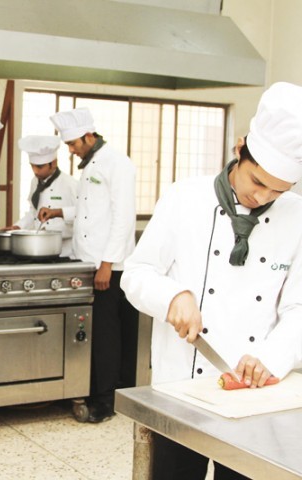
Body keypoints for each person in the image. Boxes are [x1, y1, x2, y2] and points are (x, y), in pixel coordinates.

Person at [121, 82, 302, 480]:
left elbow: (298, 309)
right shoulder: (184, 197)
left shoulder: (298, 218)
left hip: (256, 395)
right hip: (181, 389)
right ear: (240, 150)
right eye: (258, 182)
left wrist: (271, 358)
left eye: (278, 190)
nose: (263, 197)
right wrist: (173, 296)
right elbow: (135, 274)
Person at [48, 107, 138, 423]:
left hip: (107, 266)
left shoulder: (118, 163)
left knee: (105, 335)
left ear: (89, 136)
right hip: (87, 261)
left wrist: (107, 265)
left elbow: (123, 217)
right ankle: (91, 389)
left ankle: (106, 400)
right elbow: (90, 211)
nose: (70, 150)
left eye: (73, 144)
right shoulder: (91, 165)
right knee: (92, 332)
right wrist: (60, 212)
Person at [2, 135, 77, 257]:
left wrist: (55, 220)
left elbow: (81, 215)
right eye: (32, 166)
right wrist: (18, 226)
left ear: (53, 163)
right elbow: (33, 212)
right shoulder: (35, 181)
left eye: (40, 167)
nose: (35, 171)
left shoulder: (70, 184)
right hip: (40, 249)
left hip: (65, 251)